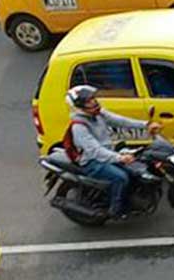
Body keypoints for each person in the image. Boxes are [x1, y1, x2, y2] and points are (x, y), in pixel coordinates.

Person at [65, 85, 161, 219]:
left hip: (108, 153)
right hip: (92, 161)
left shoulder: (98, 114)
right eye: (88, 101)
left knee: (138, 167)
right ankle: (115, 210)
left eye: (93, 98)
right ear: (80, 106)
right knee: (120, 177)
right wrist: (120, 158)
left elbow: (120, 121)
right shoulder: (79, 126)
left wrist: (146, 125)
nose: (93, 102)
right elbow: (95, 151)